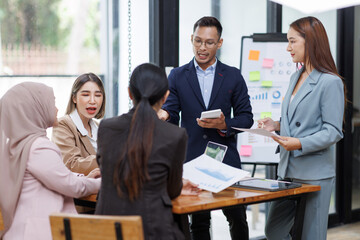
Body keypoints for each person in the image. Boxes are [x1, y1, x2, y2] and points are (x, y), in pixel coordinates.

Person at [158, 16, 253, 240]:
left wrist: (224, 125)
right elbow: (172, 114)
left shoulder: (233, 75)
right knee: (199, 221)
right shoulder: (178, 75)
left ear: (219, 43)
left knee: (237, 218)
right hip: (191, 159)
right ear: (191, 39)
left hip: (226, 161)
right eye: (198, 41)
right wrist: (164, 114)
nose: (202, 47)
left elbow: (246, 117)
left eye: (209, 42)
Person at [258, 17, 346, 240]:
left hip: (314, 174)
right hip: (288, 171)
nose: (288, 48)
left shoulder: (330, 82)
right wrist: (276, 125)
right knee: (274, 231)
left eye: (292, 41)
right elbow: (299, 119)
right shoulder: (295, 76)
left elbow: (333, 130)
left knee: (311, 236)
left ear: (311, 42)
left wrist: (299, 143)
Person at [95, 63, 199, 240]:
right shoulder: (175, 134)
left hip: (107, 229)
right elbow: (172, 190)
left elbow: (110, 171)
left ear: (129, 93)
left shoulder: (106, 127)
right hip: (152, 230)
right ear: (165, 97)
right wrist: (179, 185)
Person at [0, 82, 101, 240]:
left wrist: (82, 177)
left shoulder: (18, 144)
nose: (56, 109)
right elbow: (72, 187)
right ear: (36, 110)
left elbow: (54, 177)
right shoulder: (39, 146)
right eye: (52, 103)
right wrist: (102, 183)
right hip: (38, 233)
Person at [52, 73, 106, 175]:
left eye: (98, 95)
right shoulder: (63, 125)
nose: (92, 101)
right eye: (86, 95)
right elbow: (70, 164)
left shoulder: (99, 127)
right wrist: (109, 159)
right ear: (74, 98)